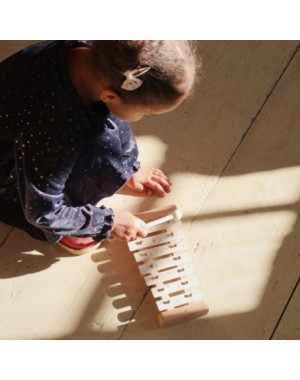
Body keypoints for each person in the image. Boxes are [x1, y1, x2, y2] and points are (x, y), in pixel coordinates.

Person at [0, 40, 198, 254]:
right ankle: (71, 222)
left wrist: (127, 167)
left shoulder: (99, 55)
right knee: (87, 141)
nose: (142, 118)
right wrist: (105, 222)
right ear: (110, 96)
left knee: (104, 123)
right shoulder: (56, 132)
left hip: (32, 130)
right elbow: (41, 211)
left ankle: (117, 171)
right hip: (8, 163)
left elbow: (114, 114)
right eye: (147, 113)